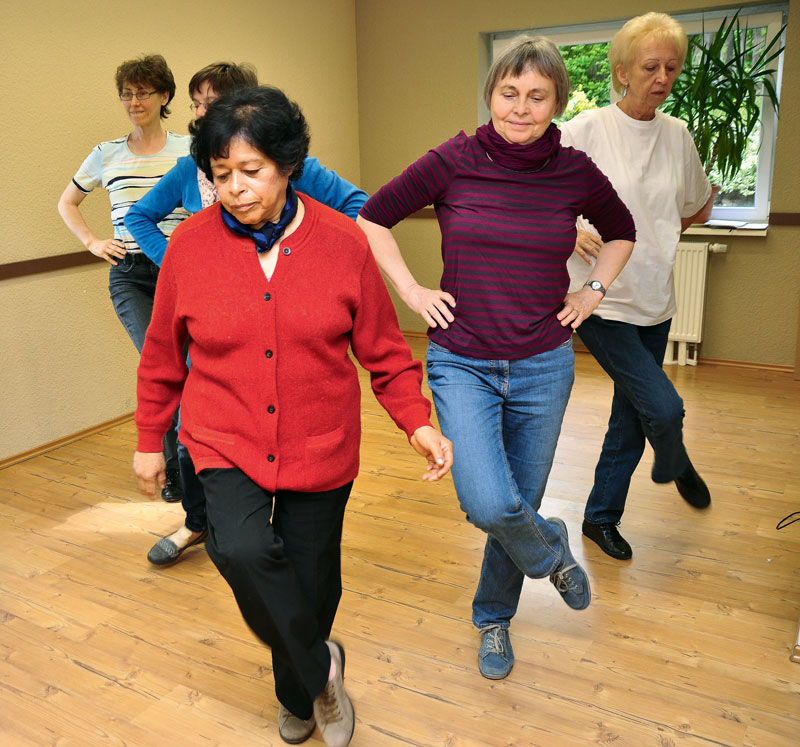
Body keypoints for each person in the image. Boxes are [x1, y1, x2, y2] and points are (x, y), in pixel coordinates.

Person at [132, 85, 452, 747]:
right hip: (223, 435)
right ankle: (319, 670)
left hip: (320, 440)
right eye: (221, 175)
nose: (236, 188)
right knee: (242, 549)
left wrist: (417, 421)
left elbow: (386, 353)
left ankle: (300, 689)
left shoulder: (343, 243)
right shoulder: (190, 248)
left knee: (312, 585)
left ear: (288, 165)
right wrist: (147, 439)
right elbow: (163, 353)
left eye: (251, 171)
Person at [357, 37, 636, 681]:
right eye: (509, 93)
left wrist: (591, 292)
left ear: (557, 103)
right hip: (462, 362)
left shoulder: (573, 170)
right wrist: (412, 290)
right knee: (489, 502)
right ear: (491, 95)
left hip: (544, 363)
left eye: (537, 96)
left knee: (519, 499)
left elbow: (621, 230)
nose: (520, 107)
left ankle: (493, 619)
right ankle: (553, 551)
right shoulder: (453, 159)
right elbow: (374, 217)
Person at [125, 62, 369, 567]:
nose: (205, 114)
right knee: (206, 426)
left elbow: (356, 207)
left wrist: (316, 260)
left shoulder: (297, 170)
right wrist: (173, 258)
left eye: (215, 104)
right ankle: (200, 519)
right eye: (198, 106)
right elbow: (141, 219)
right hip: (213, 326)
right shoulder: (189, 178)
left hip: (284, 338)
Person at [559, 12, 714, 562]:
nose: (662, 76)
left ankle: (600, 518)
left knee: (631, 414)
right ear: (622, 70)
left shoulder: (677, 134)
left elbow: (695, 206)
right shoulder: (584, 131)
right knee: (663, 408)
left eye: (671, 67)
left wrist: (665, 227)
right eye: (650, 66)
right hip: (599, 300)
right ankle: (674, 456)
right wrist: (570, 226)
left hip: (656, 298)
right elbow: (538, 194)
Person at [57, 54, 189, 503]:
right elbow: (67, 203)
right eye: (127, 94)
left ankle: (205, 464)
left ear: (164, 96)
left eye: (143, 92)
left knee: (194, 367)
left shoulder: (188, 148)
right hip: (131, 275)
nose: (134, 101)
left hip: (182, 272)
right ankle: (175, 472)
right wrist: (94, 242)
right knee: (161, 366)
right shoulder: (106, 153)